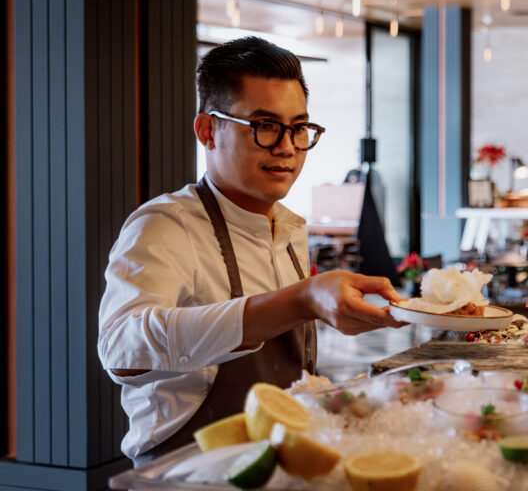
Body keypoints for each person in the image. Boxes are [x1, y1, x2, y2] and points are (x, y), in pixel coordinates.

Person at [97, 36, 405, 465]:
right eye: (265, 126)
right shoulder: (166, 225)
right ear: (208, 130)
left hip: (285, 461)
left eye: (299, 128)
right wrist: (300, 299)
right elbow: (121, 347)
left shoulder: (291, 229)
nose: (287, 148)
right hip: (189, 470)